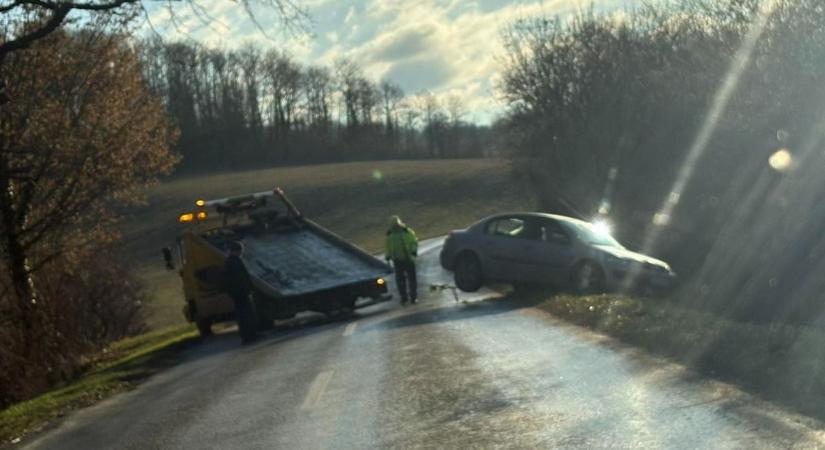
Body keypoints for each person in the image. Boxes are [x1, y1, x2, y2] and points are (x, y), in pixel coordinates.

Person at [224, 241, 259, 344]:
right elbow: (241, 278)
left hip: (238, 293)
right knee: (246, 315)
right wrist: (248, 288)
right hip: (241, 293)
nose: (241, 252)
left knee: (243, 315)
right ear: (238, 250)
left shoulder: (230, 261)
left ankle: (248, 336)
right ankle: (250, 336)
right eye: (241, 250)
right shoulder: (235, 262)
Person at [385, 215, 418, 305]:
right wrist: (387, 256)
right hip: (397, 260)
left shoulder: (407, 231)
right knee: (400, 281)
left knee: (412, 279)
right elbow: (388, 246)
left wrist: (413, 252)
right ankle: (404, 297)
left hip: (408, 258)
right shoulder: (390, 234)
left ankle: (413, 297)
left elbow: (414, 242)